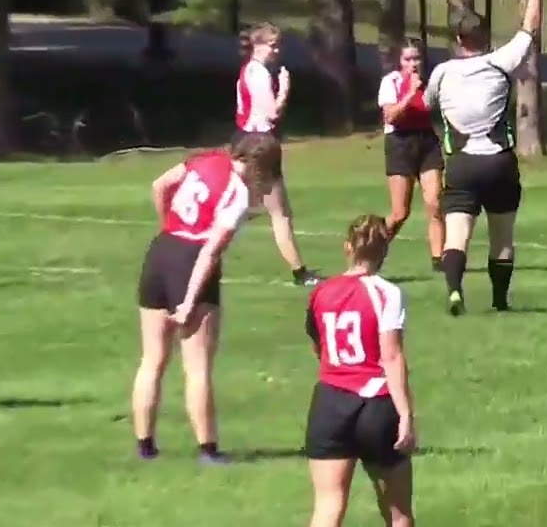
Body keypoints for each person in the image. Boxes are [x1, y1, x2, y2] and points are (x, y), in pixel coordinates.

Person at [131, 132, 282, 463]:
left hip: (161, 251)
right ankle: (208, 450)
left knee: (152, 359)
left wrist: (168, 225)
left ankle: (145, 445)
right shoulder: (238, 194)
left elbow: (160, 185)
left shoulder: (206, 160)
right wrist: (189, 302)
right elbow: (211, 251)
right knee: (197, 366)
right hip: (191, 259)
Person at [425, 0, 547, 316]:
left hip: (461, 164)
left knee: (456, 234)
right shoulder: (500, 61)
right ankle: (499, 301)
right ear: (485, 36)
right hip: (498, 163)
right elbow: (529, 28)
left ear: (458, 39)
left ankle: (454, 291)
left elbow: (426, 104)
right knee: (502, 237)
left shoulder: (443, 73)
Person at [304, 215, 416, 527]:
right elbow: (391, 356)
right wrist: (405, 414)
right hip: (375, 403)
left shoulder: (322, 292)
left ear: (347, 247)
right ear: (385, 251)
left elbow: (318, 345)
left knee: (327, 505)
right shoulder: (387, 293)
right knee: (398, 513)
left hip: (330, 403)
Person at [233, 22, 323, 287]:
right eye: (272, 45)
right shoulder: (259, 73)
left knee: (256, 206)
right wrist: (284, 88)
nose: (277, 50)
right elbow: (272, 113)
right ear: (257, 45)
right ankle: (300, 273)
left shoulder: (250, 70)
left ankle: (300, 271)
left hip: (248, 140)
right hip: (260, 144)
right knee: (276, 212)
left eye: (278, 45)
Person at [377, 38, 445, 272]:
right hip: (400, 142)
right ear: (400, 61)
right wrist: (410, 92)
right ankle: (372, 248)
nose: (413, 64)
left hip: (426, 141)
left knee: (435, 203)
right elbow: (390, 116)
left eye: (417, 58)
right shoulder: (391, 82)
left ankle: (439, 259)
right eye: (408, 59)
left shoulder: (429, 82)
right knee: (400, 213)